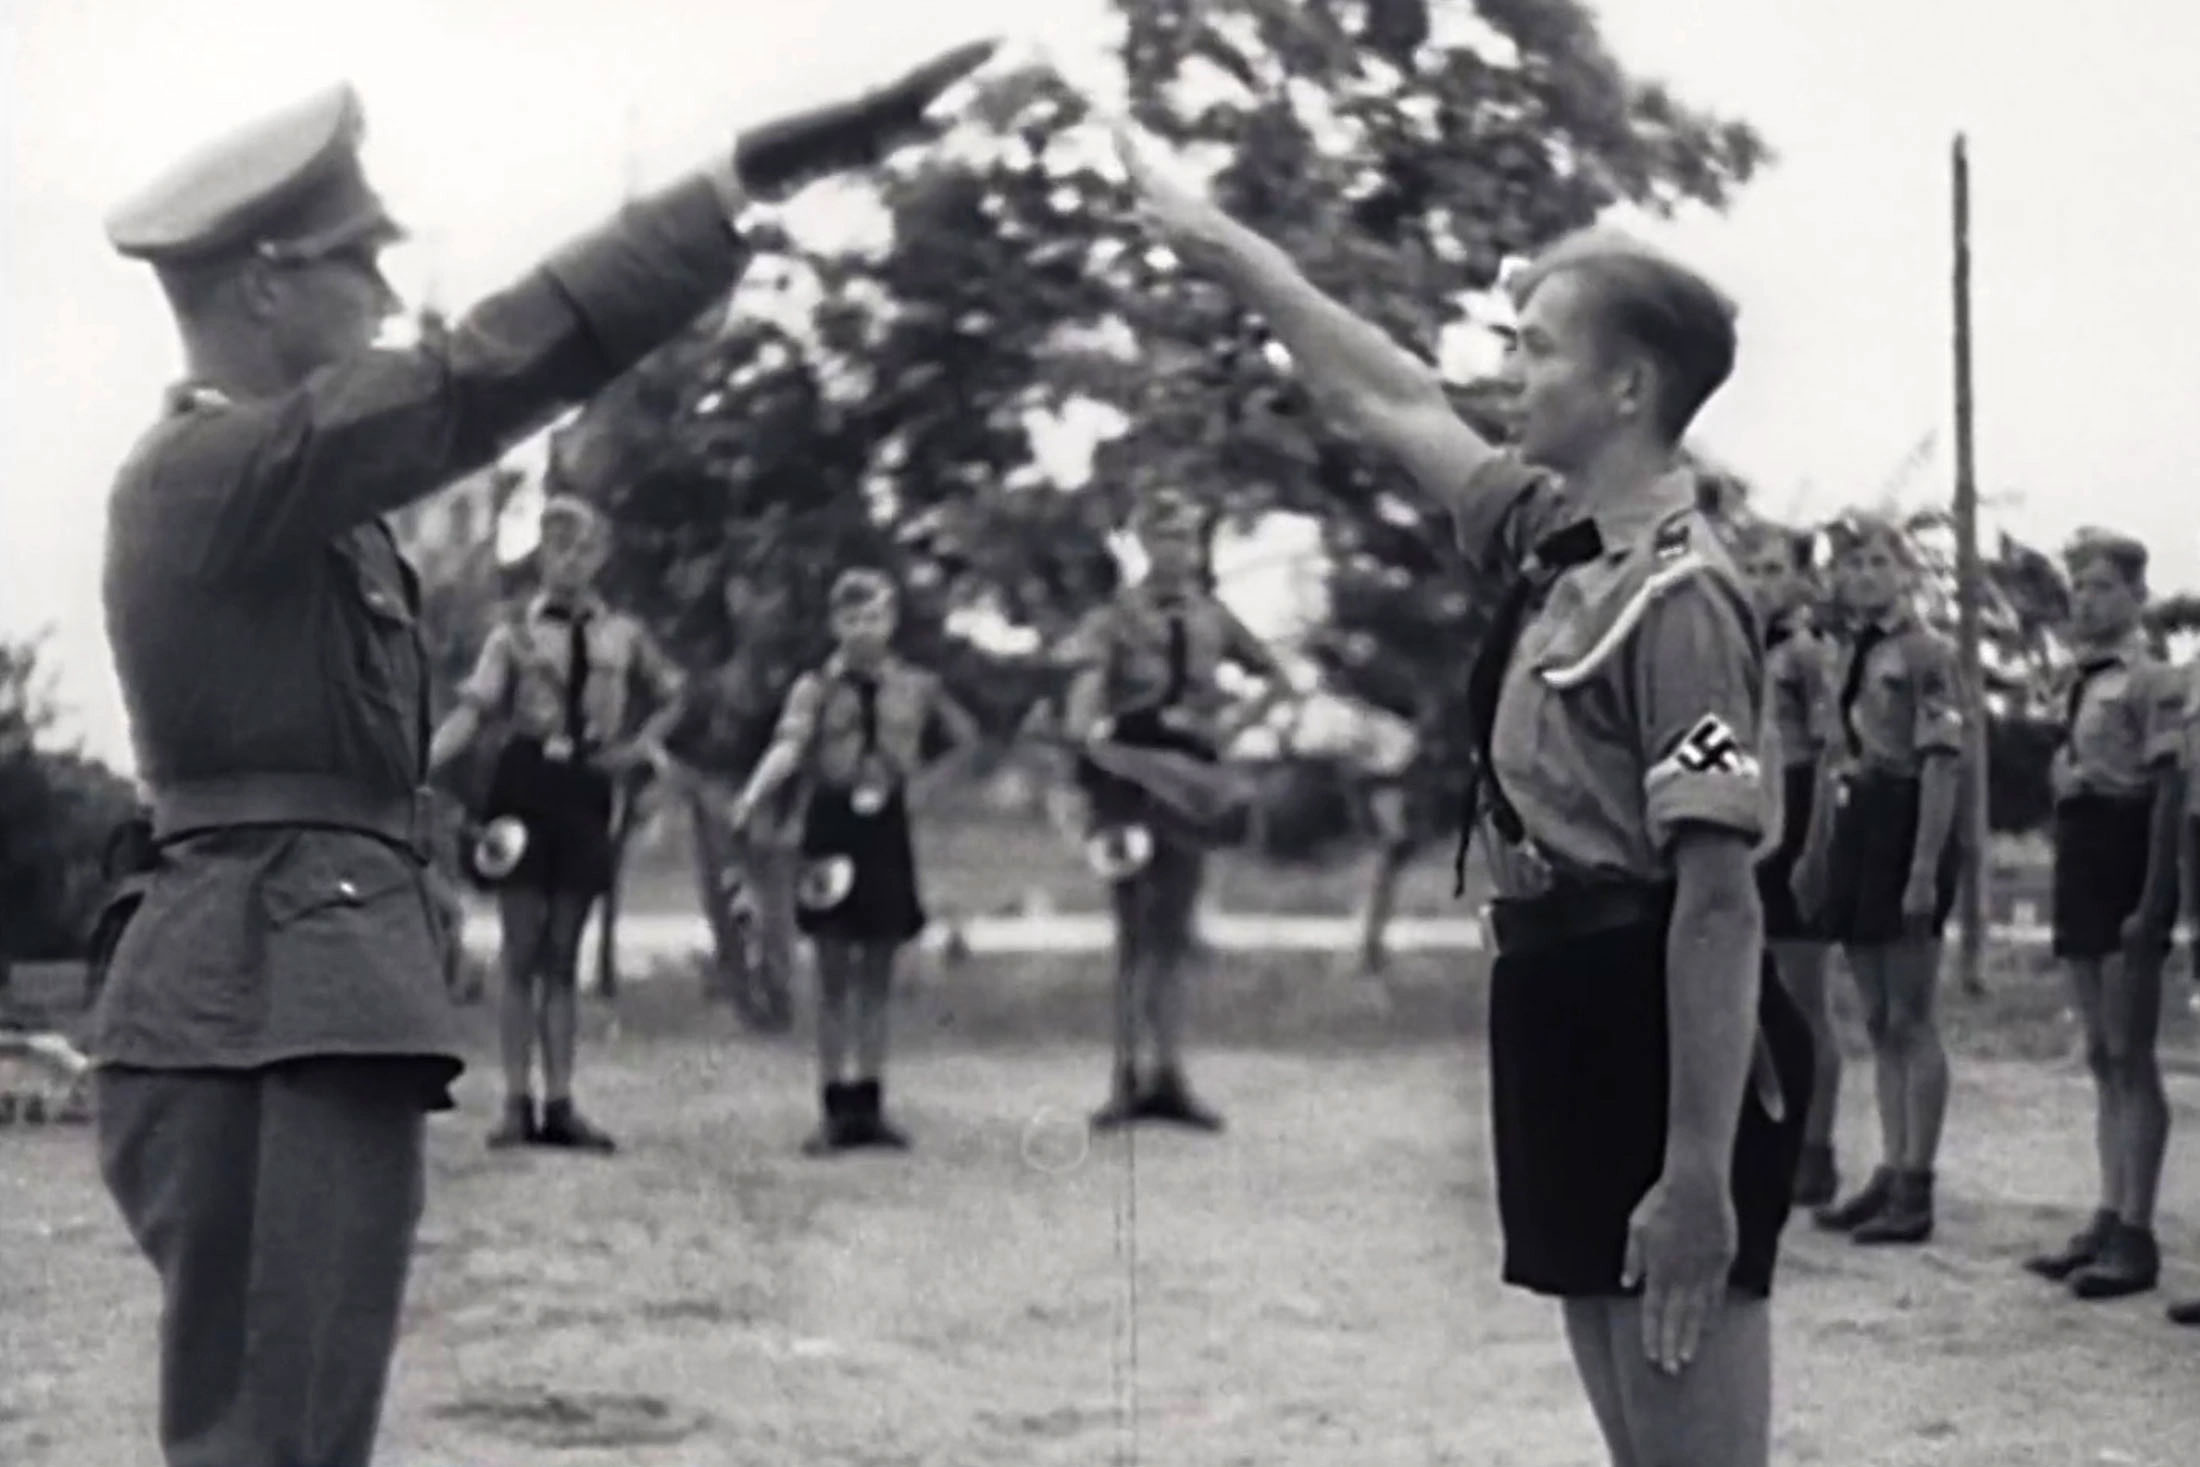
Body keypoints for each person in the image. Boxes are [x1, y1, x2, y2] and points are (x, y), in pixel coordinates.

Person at [88, 47, 996, 1467]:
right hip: (265, 988)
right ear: (262, 284)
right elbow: (473, 380)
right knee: (273, 1433)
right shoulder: (210, 475)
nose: (381, 291)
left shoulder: (289, 498)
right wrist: (735, 183)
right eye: (352, 261)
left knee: (301, 1423)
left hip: (301, 975)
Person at [1114, 126, 1809, 1467]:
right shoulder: (1559, 538)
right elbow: (1390, 400)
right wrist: (1231, 254)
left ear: (1626, 384)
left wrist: (1696, 1171)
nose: (1509, 372)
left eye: (1537, 348)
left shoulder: (1679, 595)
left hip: (1654, 1015)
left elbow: (1720, 904)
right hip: (1555, 997)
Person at [428, 494, 687, 1152]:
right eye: (556, 547)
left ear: (601, 556)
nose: (569, 560)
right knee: (521, 947)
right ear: (541, 554)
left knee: (565, 952)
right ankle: (516, 1103)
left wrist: (639, 746)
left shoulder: (621, 635)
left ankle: (561, 1102)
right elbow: (474, 712)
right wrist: (419, 763)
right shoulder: (512, 635)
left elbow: (673, 693)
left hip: (586, 786)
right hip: (525, 782)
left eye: (581, 548)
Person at [1061, 487, 1291, 1132]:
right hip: (1130, 780)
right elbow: (1084, 698)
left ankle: (1169, 1075)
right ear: (1141, 542)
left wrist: (1233, 727)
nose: (1178, 550)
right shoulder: (1114, 618)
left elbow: (1276, 676)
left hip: (1191, 782)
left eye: (1187, 537)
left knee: (1175, 929)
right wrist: (1087, 742)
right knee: (1134, 931)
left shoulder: (1213, 616)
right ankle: (1126, 1076)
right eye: (1165, 536)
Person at [730, 569, 982, 1154]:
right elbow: (790, 746)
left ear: (891, 621)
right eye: (850, 618)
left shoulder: (916, 686)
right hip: (833, 824)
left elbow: (965, 739)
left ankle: (870, 1101)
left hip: (886, 826)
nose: (862, 629)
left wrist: (923, 788)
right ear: (833, 624)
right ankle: (833, 1104)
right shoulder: (816, 688)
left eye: (873, 616)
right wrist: (753, 794)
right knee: (834, 969)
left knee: (877, 969)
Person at [2015, 530, 2183, 1299]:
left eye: (2103, 587)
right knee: (2098, 1052)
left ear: (2138, 596)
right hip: (2081, 853)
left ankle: (2138, 1232)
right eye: (2079, 587)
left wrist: (2153, 898)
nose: (2086, 600)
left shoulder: (2153, 680)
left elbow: (2168, 791)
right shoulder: (2076, 677)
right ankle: (2109, 1213)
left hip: (2125, 852)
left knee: (2131, 1052)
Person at [1804, 517, 1964, 1247]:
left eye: (1877, 561)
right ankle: (1891, 1168)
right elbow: (1835, 754)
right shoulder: (1845, 652)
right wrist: (1820, 851)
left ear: (1905, 572)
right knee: (1875, 1016)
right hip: (1859, 818)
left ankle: (1916, 1182)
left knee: (1911, 1014)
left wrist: (1924, 868)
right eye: (1851, 564)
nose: (1863, 575)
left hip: (1907, 817)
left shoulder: (1929, 652)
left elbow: (1942, 762)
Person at [1733, 520, 1844, 1207]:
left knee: (1805, 1000)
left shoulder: (1807, 654)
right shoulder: (1745, 647)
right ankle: (1768, 1139)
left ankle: (1817, 1148)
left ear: (1804, 580)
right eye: (1752, 569)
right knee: (1751, 992)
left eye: (1775, 570)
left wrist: (1814, 849)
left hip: (1799, 807)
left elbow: (1832, 754)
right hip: (1756, 806)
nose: (1760, 583)